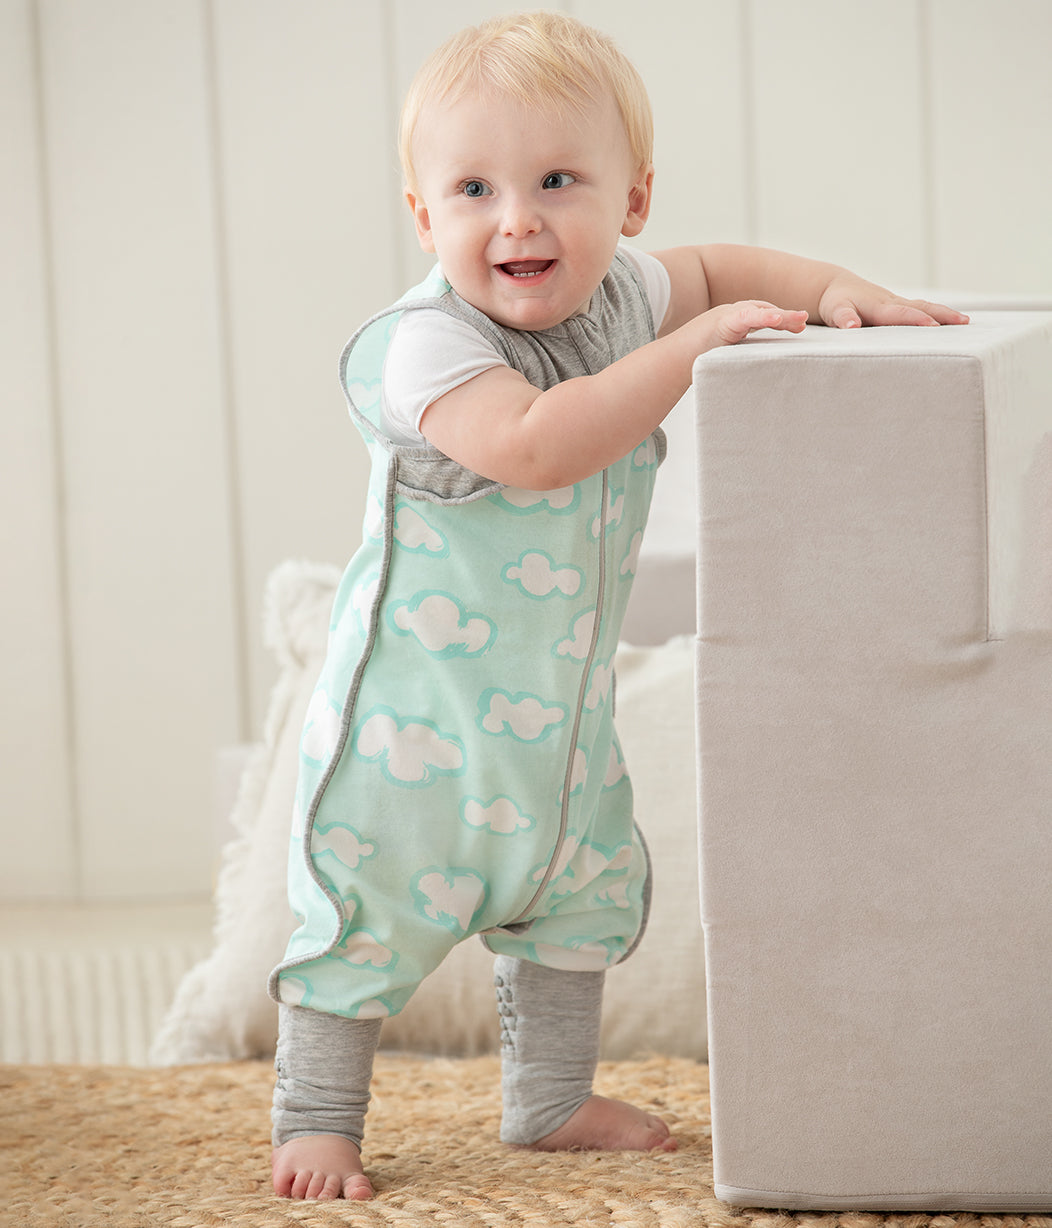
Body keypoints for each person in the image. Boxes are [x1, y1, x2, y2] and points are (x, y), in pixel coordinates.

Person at [268, 10, 968, 1201]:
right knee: (364, 909)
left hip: (554, 719)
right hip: (414, 735)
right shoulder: (421, 349)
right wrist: (690, 350)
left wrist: (837, 289)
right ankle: (316, 1116)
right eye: (474, 187)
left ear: (630, 200)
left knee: (579, 891)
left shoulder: (620, 295)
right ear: (423, 215)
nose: (517, 217)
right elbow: (536, 445)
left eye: (556, 180)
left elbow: (717, 273)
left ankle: (547, 1097)